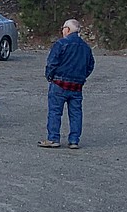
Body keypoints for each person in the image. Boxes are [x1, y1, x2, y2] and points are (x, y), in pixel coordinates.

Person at [39, 19, 95, 149]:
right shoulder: (86, 47)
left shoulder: (61, 44)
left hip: (59, 83)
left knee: (55, 111)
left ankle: (53, 138)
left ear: (68, 30)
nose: (62, 30)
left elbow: (52, 63)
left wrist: (50, 76)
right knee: (76, 113)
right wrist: (81, 77)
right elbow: (90, 65)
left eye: (63, 28)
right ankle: (74, 140)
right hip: (77, 86)